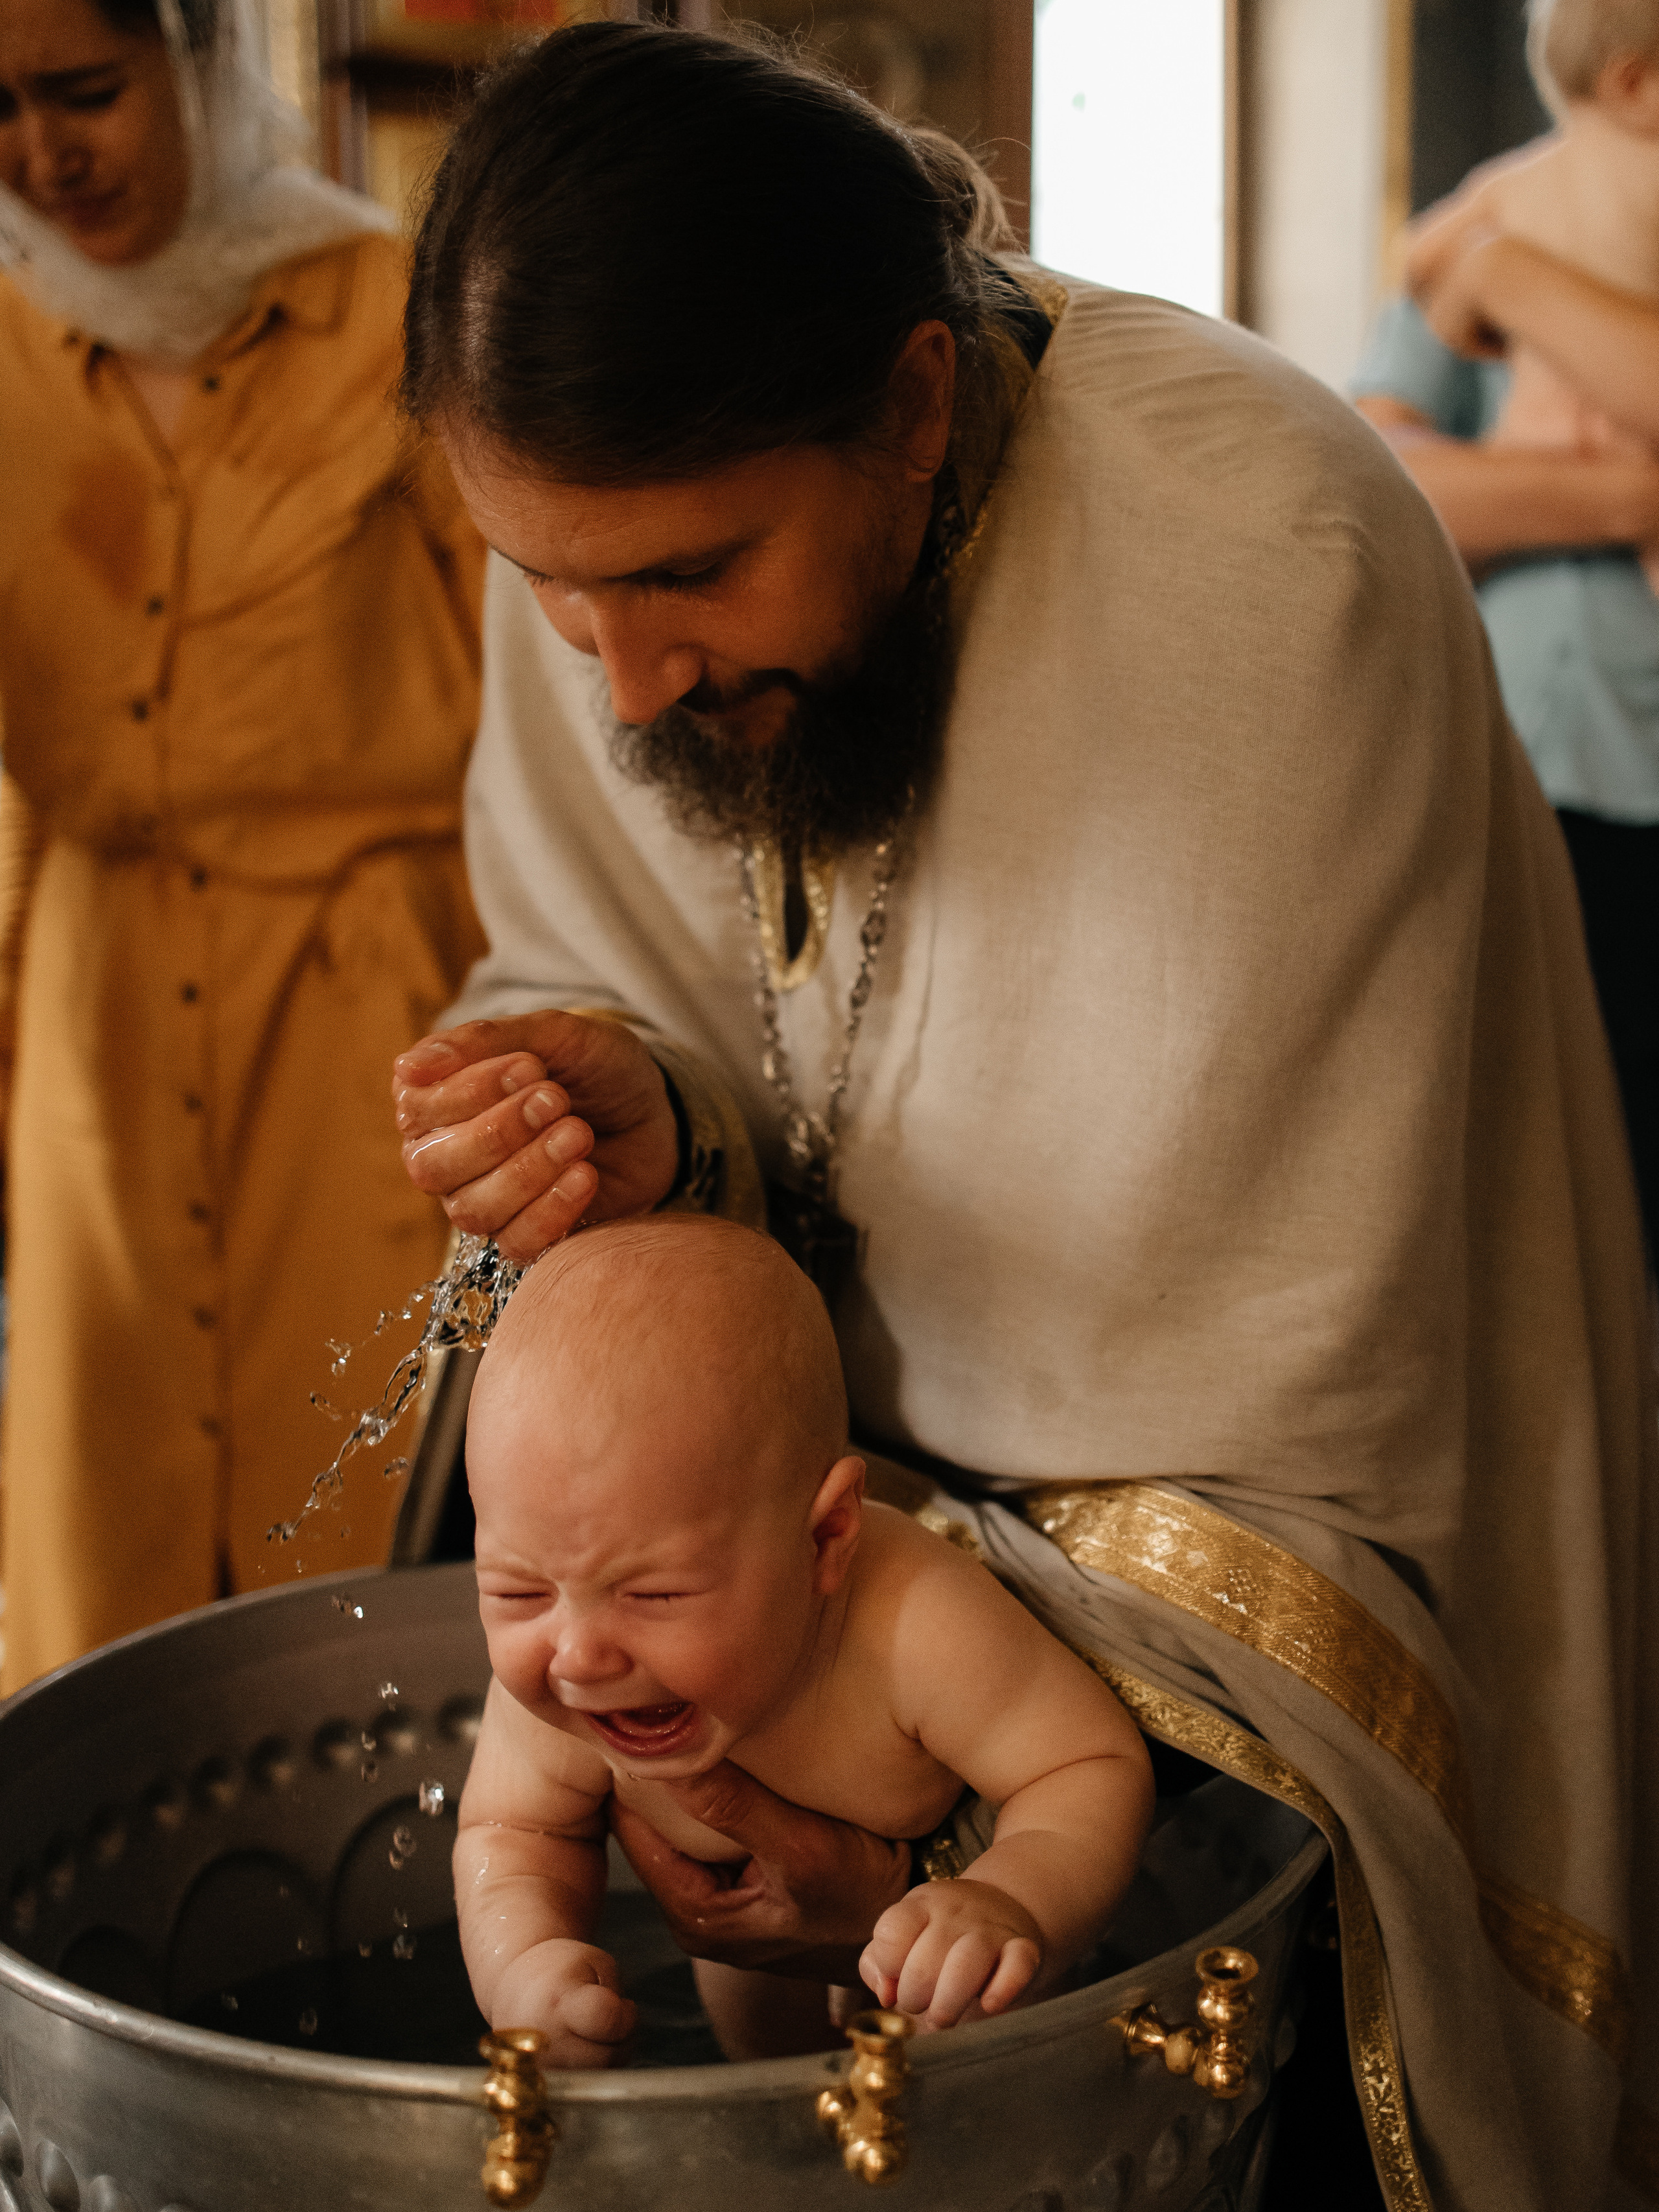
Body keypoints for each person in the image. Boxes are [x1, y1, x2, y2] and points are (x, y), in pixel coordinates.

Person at [392, 23, 1657, 2208]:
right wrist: (641, 1126)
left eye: (692, 576)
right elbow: (651, 990)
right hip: (763, 1563)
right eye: (552, 595)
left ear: (912, 406)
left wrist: (944, 1799)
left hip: (1176, 1687)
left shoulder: (1264, 566)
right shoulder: (606, 548)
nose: (626, 680)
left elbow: (1264, 1380)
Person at [0, 0, 485, 1694]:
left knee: (358, 1508)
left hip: (374, 1001)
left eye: (85, 91)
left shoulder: (388, 312)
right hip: (99, 1008)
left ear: (200, 60)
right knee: (97, 1525)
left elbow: (549, 712)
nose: (45, 155)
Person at [457, 1213, 1152, 2066]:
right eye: (517, 1591)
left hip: (954, 1937)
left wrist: (1014, 1899)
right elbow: (513, 1835)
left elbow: (1084, 1764)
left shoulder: (914, 1623)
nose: (577, 1656)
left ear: (825, 1539)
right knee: (774, 2091)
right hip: (747, 1949)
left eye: (654, 1593)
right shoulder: (558, 1690)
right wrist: (523, 1968)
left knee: (980, 2027)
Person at [1353, 0, 1659, 1262]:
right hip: (1550, 753)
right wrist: (1623, 493)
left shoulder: (1497, 242)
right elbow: (1373, 482)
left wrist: (1512, 287)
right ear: (1635, 82)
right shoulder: (1504, 209)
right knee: (1568, 1167)